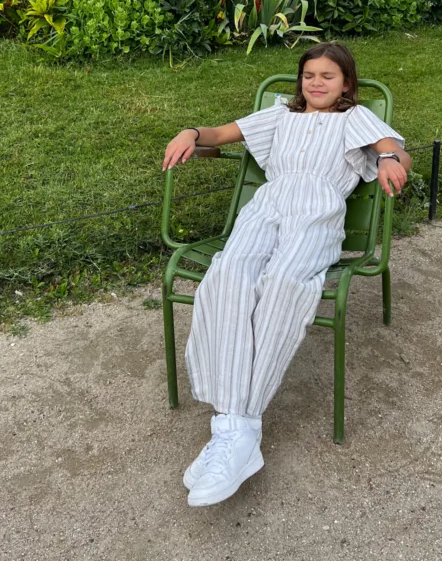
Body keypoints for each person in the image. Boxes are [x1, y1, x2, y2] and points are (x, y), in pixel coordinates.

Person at [162, 42, 410, 507]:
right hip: (265, 209)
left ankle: (235, 429)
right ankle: (237, 431)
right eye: (309, 75)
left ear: (347, 84)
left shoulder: (352, 118)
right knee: (229, 276)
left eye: (328, 76)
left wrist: (393, 160)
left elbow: (391, 148)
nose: (316, 83)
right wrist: (190, 132)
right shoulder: (279, 115)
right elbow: (220, 135)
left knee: (283, 285)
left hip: (317, 213)